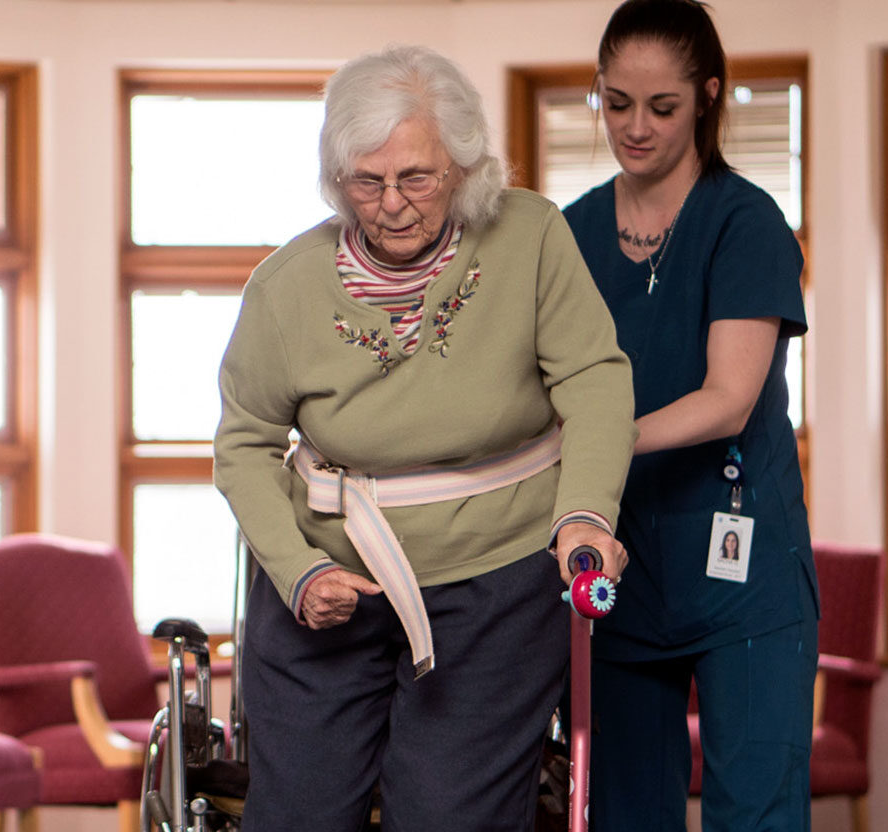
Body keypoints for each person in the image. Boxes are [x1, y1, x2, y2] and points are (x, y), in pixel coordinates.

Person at [214, 44, 636, 831]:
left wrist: (585, 513)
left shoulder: (531, 237)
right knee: (297, 814)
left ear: (464, 169)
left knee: (448, 814)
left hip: (494, 583)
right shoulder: (284, 288)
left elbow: (594, 379)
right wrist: (299, 570)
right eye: (366, 182)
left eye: (417, 178)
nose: (392, 204)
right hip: (328, 579)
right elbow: (243, 443)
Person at [559, 2, 819, 830]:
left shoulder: (745, 223)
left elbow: (728, 397)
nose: (635, 128)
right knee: (627, 814)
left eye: (662, 107)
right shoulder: (572, 235)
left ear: (707, 97)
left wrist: (604, 440)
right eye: (616, 103)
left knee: (757, 815)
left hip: (745, 579)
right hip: (621, 572)